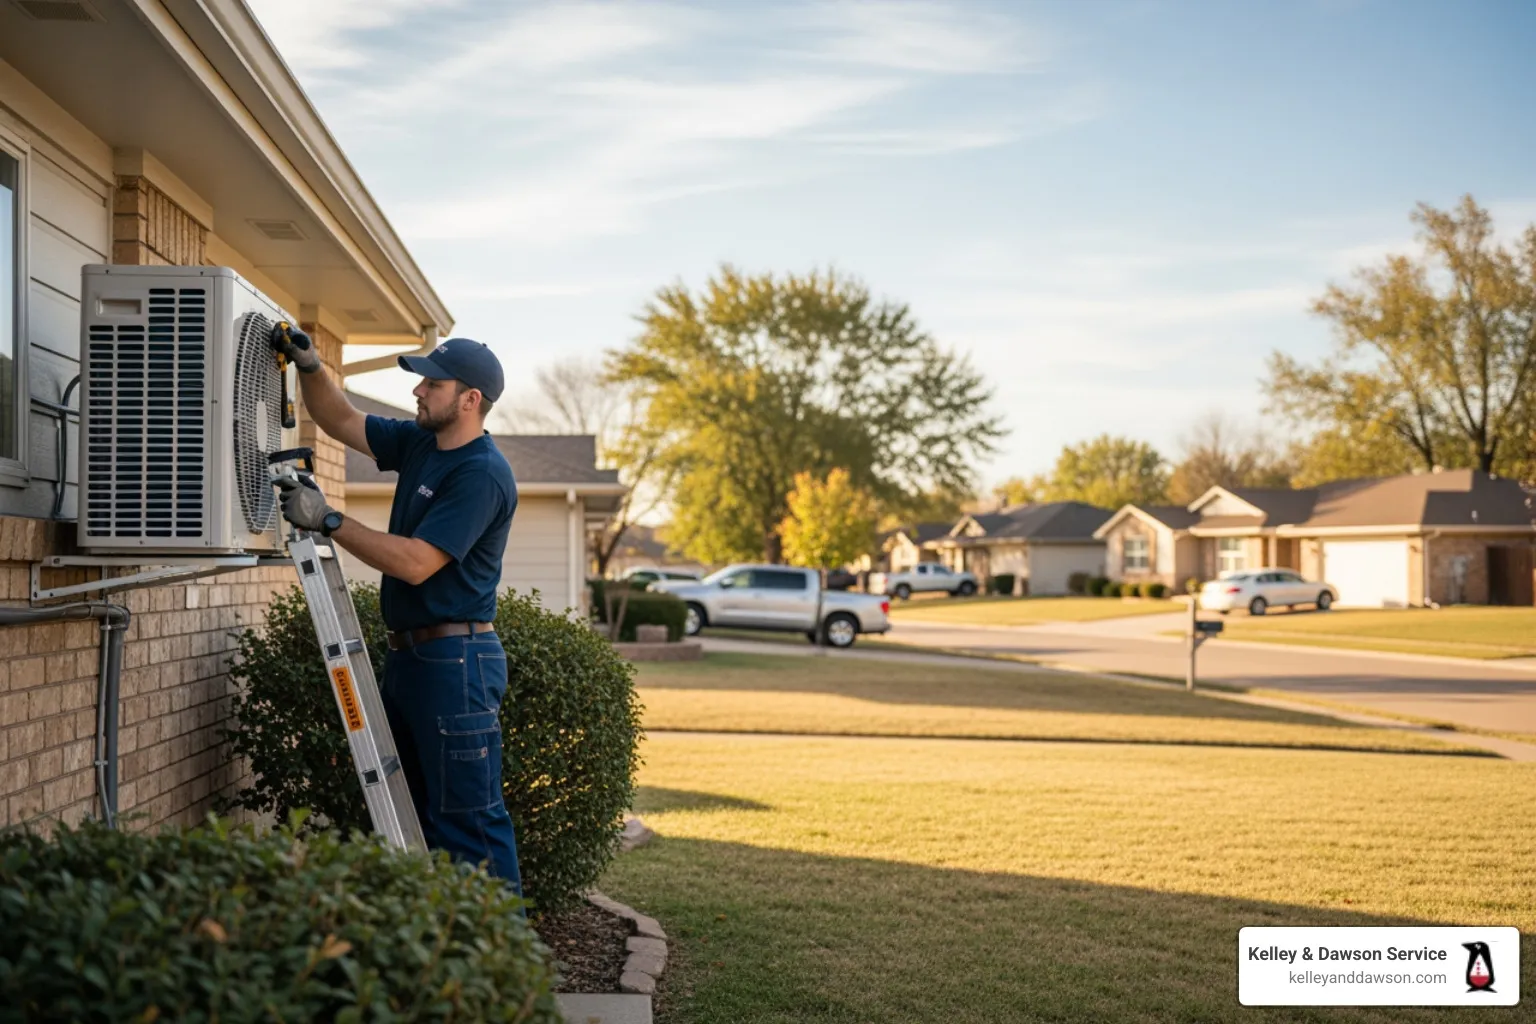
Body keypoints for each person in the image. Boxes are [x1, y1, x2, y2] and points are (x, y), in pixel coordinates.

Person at [268, 326, 522, 893]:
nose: (418, 391)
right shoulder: (421, 444)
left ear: (470, 399)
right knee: (417, 823)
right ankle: (440, 943)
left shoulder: (481, 473)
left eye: (433, 384)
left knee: (469, 826)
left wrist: (329, 520)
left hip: (457, 663)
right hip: (414, 661)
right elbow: (340, 419)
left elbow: (415, 563)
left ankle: (505, 950)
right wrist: (310, 365)